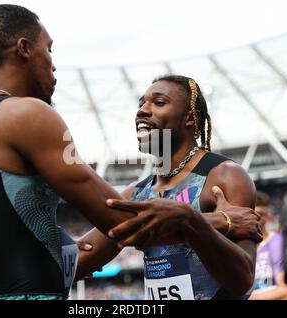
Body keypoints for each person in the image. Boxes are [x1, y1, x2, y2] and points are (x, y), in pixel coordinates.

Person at [0, 5, 261, 300]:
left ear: (190, 117)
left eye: (158, 103)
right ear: (24, 49)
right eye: (49, 50)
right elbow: (120, 225)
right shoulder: (27, 114)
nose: (53, 65)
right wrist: (220, 220)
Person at [78, 75, 259, 300]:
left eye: (159, 102)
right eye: (141, 103)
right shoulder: (136, 195)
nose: (142, 111)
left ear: (190, 118)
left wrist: (191, 221)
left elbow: (243, 280)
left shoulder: (224, 176)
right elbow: (81, 257)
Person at [249, 191, 287, 300]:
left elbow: (286, 290)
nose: (260, 220)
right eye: (256, 214)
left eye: (263, 214)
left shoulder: (276, 242)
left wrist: (250, 298)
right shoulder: (238, 245)